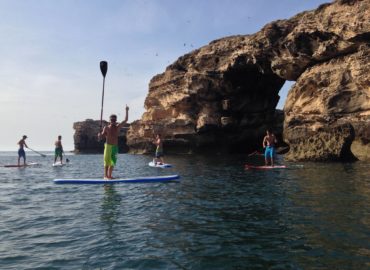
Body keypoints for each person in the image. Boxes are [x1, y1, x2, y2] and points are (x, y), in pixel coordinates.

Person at [98, 105, 129, 179]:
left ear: (116, 121)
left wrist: (127, 110)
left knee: (113, 162)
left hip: (115, 147)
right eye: (112, 120)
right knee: (106, 162)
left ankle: (110, 176)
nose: (113, 121)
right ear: (110, 121)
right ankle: (105, 176)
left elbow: (126, 120)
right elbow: (101, 137)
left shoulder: (118, 127)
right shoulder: (106, 128)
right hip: (108, 146)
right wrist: (99, 135)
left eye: (114, 120)